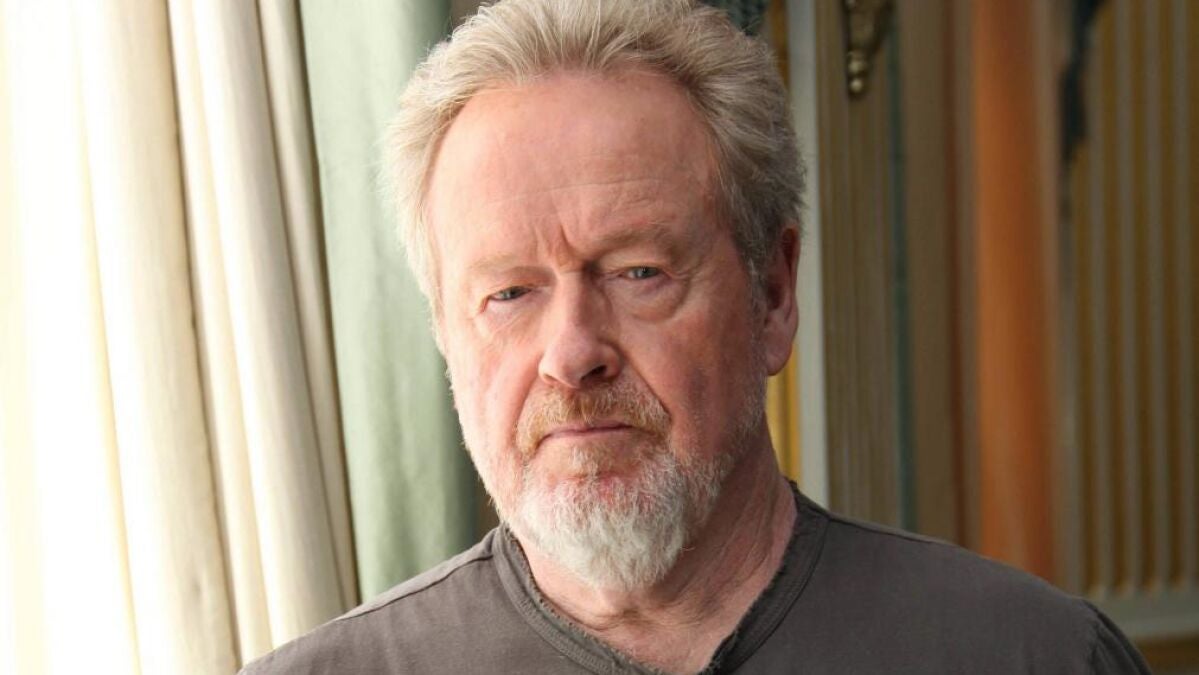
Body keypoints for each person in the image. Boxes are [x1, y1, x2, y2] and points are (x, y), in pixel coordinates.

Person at [243, 1, 1149, 672]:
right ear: (446, 332)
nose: (572, 352)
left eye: (637, 272)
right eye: (509, 292)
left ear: (773, 294)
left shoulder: (1033, 656)